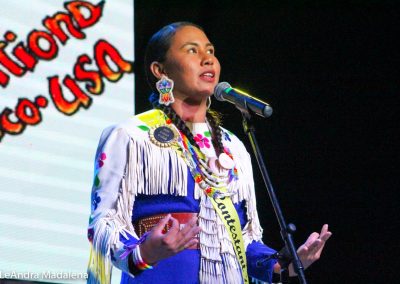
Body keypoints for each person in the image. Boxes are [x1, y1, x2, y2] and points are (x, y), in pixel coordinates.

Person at [87, 22, 332, 284]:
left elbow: (243, 238)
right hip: (161, 274)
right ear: (161, 70)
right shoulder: (131, 135)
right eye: (192, 50)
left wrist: (281, 264)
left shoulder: (233, 146)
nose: (208, 59)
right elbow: (104, 222)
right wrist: (144, 252)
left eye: (211, 51)